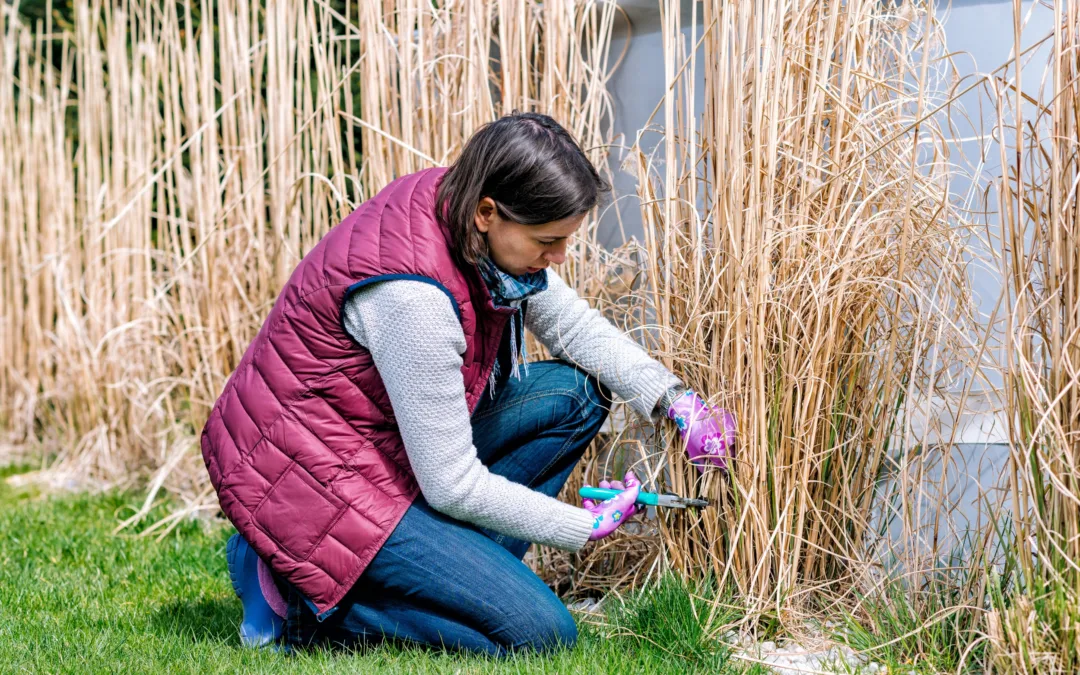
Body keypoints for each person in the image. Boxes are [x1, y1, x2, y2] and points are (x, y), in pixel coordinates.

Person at [200, 111, 736, 656]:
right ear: (488, 213)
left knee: (576, 396)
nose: (559, 258)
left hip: (376, 452)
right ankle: (293, 597)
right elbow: (452, 484)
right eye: (548, 241)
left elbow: (571, 325)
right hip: (315, 485)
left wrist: (674, 400)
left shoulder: (460, 212)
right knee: (540, 635)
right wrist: (580, 526)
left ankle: (461, 579)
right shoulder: (415, 302)